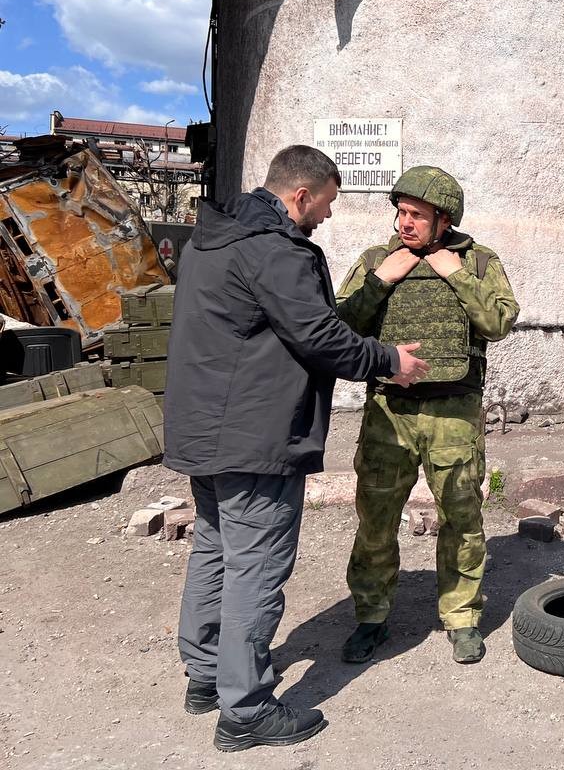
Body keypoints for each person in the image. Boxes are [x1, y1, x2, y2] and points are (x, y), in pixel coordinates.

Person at [163, 145, 429, 753]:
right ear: (300, 196)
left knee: (215, 549)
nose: (328, 217)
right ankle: (247, 710)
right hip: (254, 437)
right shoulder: (274, 250)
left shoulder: (215, 238)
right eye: (328, 204)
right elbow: (318, 335)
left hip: (204, 429)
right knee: (255, 566)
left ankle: (207, 675)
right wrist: (392, 362)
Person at [335, 166, 519, 666]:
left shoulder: (478, 262)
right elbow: (340, 325)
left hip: (453, 412)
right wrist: (380, 281)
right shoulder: (378, 259)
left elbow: (499, 321)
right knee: (375, 517)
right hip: (388, 410)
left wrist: (454, 275)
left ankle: (461, 618)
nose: (404, 224)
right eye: (400, 212)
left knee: (461, 514)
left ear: (444, 219)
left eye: (416, 215)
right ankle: (371, 618)